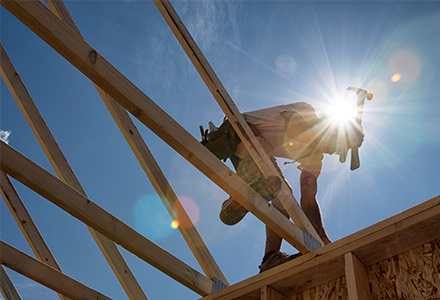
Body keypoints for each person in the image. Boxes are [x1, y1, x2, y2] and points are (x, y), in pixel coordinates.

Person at [201, 102, 364, 273]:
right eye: (336, 145)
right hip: (237, 131)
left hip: (252, 153)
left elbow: (308, 200)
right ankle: (240, 194)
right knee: (264, 150)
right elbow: (294, 130)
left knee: (285, 195)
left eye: (338, 151)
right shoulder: (306, 111)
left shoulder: (314, 158)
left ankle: (269, 258)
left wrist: (322, 238)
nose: (332, 151)